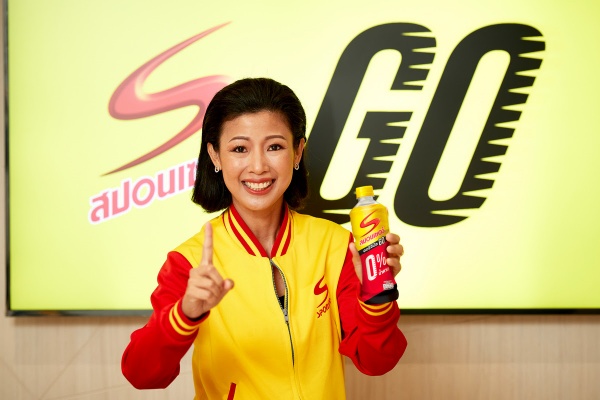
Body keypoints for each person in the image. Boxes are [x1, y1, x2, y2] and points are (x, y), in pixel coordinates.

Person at [122, 77, 407, 399]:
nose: (258, 166)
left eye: (274, 147)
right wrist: (185, 315)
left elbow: (376, 361)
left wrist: (376, 294)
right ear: (215, 156)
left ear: (298, 152)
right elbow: (141, 374)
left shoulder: (337, 245)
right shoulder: (188, 262)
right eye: (239, 149)